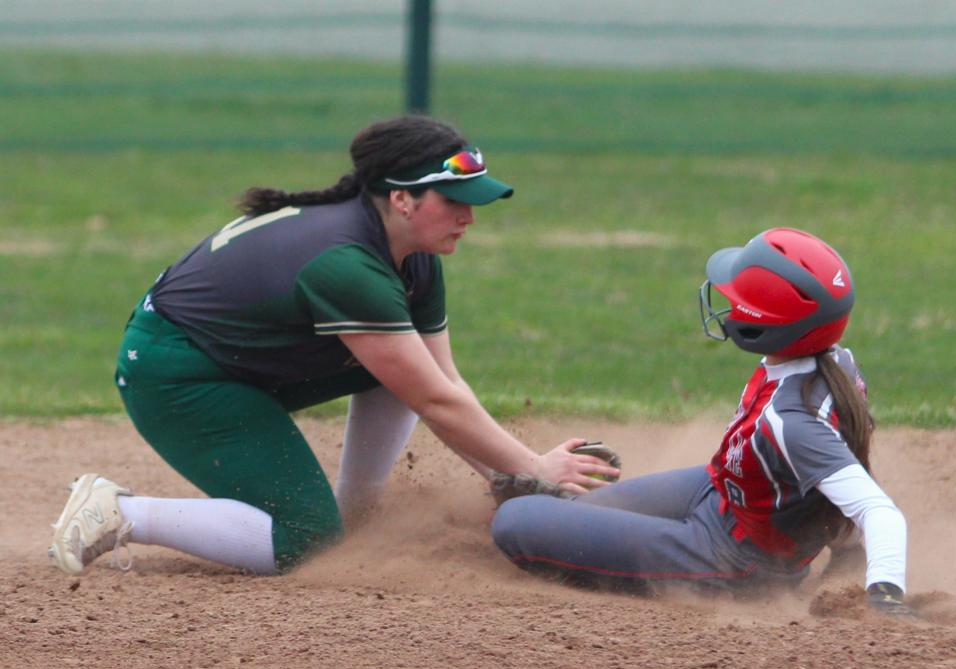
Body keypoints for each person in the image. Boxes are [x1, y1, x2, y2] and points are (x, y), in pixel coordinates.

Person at [48, 115, 618, 576]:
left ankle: (358, 515)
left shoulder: (411, 253)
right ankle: (119, 511)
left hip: (243, 359)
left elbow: (441, 386)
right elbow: (437, 403)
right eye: (454, 200)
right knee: (303, 542)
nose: (470, 216)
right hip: (177, 376)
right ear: (401, 200)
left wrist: (507, 475)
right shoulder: (348, 267)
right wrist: (533, 467)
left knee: (398, 373)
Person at [492, 228, 912, 616]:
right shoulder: (833, 359)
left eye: (738, 297)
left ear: (767, 324)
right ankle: (569, 517)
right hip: (720, 490)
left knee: (515, 522)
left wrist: (884, 598)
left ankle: (566, 525)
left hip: (733, 558)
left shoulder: (791, 420)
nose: (726, 300)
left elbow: (880, 511)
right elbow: (836, 460)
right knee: (566, 510)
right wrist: (846, 543)